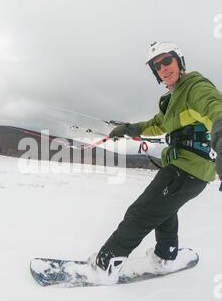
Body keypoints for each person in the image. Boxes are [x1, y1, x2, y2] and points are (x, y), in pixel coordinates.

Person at [91, 42, 222, 284]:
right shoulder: (173, 100)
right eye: (156, 65)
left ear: (179, 62)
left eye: (167, 61)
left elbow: (216, 108)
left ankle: (105, 266)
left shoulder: (195, 88)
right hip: (185, 170)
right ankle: (165, 256)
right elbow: (156, 124)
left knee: (140, 213)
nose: (162, 68)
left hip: (188, 170)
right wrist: (129, 129)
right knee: (163, 212)